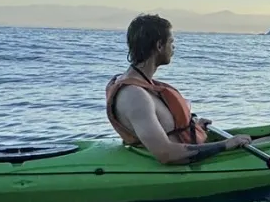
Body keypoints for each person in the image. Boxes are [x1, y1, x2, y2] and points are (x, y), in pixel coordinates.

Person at [107, 14, 253, 164]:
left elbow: (163, 127)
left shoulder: (139, 84)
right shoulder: (135, 96)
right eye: (171, 42)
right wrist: (226, 144)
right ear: (159, 46)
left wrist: (193, 127)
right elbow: (166, 154)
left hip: (189, 144)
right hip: (178, 160)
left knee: (266, 137)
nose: (174, 47)